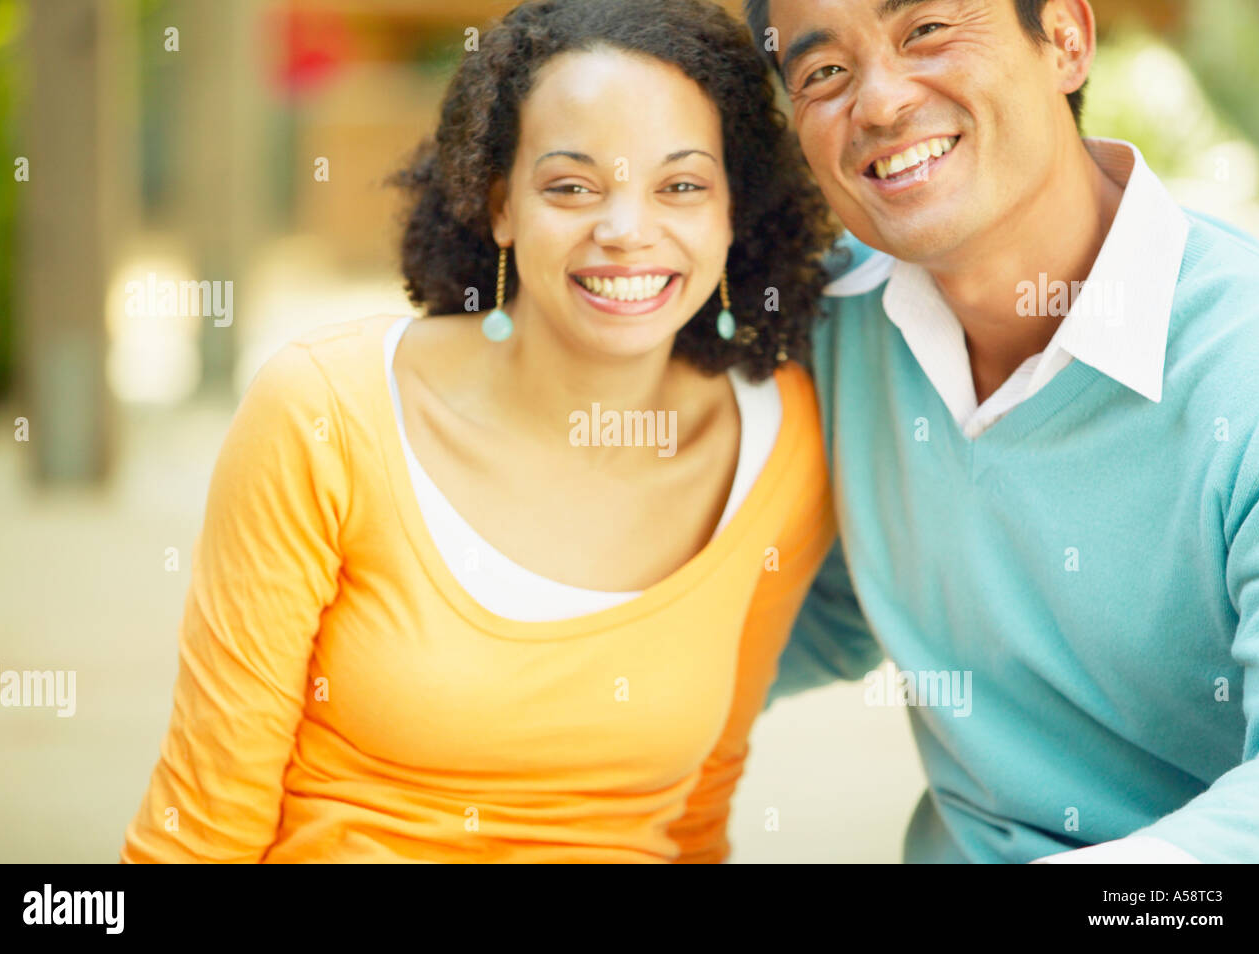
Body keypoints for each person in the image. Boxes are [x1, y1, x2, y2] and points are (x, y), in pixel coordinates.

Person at [121, 0, 839, 863]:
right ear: (500, 204)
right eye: (571, 186)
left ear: (733, 212)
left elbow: (697, 815)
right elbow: (200, 833)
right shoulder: (323, 414)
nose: (626, 231)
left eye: (681, 185)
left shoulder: (779, 443)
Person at [748, 0, 1259, 862]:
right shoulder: (831, 332)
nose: (878, 104)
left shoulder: (1250, 368)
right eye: (824, 73)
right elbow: (807, 605)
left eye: (925, 31)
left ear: (1064, 38)